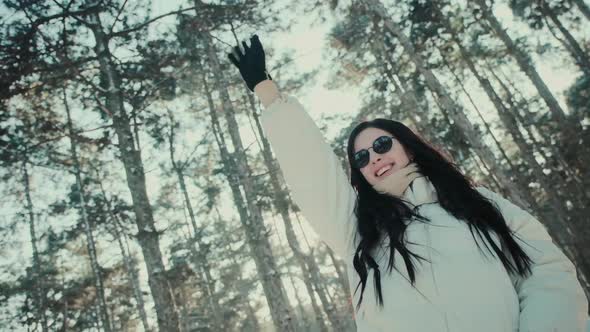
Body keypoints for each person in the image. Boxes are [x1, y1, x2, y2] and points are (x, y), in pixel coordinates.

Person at [228, 34, 588, 332]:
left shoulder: (476, 203)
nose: (374, 158)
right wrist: (267, 93)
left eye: (382, 145)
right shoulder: (358, 229)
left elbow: (545, 272)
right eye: (362, 157)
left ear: (409, 148)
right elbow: (311, 172)